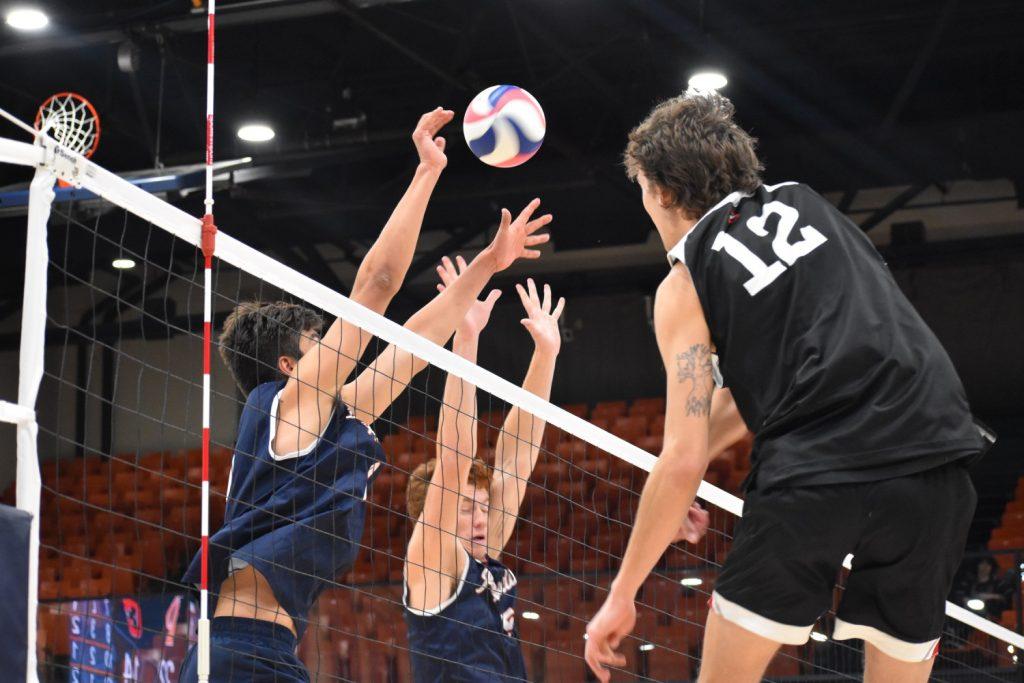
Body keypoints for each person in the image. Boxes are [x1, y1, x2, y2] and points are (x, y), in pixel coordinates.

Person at [584, 91, 990, 683]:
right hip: (935, 466)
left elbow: (683, 454)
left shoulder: (686, 280)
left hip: (816, 479)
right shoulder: (809, 204)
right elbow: (798, 370)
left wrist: (622, 593)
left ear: (664, 191)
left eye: (642, 186)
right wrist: (675, 494)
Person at [178, 106, 554, 682]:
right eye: (317, 341)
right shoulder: (290, 403)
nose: (333, 346)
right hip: (239, 651)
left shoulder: (321, 424)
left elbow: (415, 344)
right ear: (288, 366)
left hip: (269, 652)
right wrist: (426, 171)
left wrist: (487, 264)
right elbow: (376, 286)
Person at [402, 263, 564, 681]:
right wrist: (467, 337)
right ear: (433, 514)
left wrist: (546, 355)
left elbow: (518, 458)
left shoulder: (483, 548)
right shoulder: (432, 559)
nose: (479, 519)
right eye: (465, 509)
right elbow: (454, 458)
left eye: (482, 507)